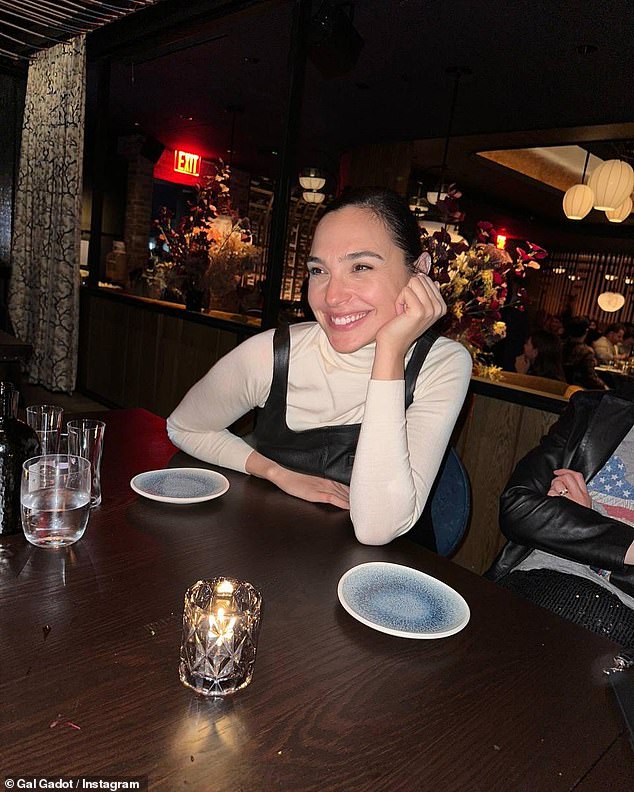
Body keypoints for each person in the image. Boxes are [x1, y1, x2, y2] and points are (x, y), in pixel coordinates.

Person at [167, 187, 472, 545]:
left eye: (360, 267)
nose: (331, 297)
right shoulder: (273, 353)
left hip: (380, 582)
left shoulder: (443, 364)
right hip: (273, 554)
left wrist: (389, 352)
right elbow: (185, 428)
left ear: (419, 270)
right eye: (318, 270)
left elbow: (377, 527)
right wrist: (274, 472)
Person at [486, 386, 634, 646]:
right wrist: (625, 548)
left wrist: (580, 522)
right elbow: (517, 507)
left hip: (621, 621)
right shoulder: (597, 409)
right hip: (528, 585)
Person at [562, 316, 607, 390]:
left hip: (559, 384)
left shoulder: (560, 345)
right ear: (586, 331)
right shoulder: (586, 352)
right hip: (577, 390)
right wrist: (604, 387)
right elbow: (590, 378)